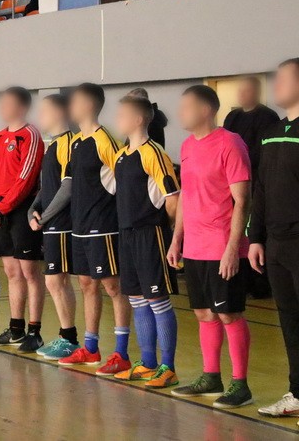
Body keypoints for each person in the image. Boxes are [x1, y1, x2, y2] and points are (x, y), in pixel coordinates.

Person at [167, 85, 253, 409]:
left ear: (205, 110)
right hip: (195, 246)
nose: (180, 113)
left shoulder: (230, 143)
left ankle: (241, 384)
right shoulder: (187, 146)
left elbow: (242, 200)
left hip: (221, 244)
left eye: (186, 107)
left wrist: (233, 248)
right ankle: (211, 376)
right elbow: (186, 197)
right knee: (204, 313)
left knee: (228, 313)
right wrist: (177, 239)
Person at [58, 83, 132, 376]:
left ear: (88, 105)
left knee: (114, 287)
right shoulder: (76, 142)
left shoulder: (106, 141)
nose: (70, 108)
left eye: (74, 102)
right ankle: (90, 348)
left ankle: (121, 353)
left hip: (103, 227)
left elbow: (124, 181)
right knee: (87, 285)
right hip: (79, 226)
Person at [112, 95, 181, 389]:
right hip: (126, 234)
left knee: (157, 300)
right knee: (137, 299)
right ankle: (148, 362)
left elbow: (173, 198)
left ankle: (168, 367)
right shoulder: (121, 155)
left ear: (138, 119)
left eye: (122, 115)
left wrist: (169, 232)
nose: (117, 120)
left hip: (150, 234)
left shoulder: (154, 153)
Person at [250, 59, 299, 421]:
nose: (276, 84)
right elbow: (261, 189)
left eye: (283, 78)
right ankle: (297, 392)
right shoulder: (271, 132)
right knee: (290, 320)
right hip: (277, 244)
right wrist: (255, 237)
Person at [0, 87, 46, 352]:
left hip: (21, 210)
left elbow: (26, 178)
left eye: (7, 103)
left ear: (22, 107)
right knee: (11, 271)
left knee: (30, 271)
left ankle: (34, 331)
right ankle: (16, 328)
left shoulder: (30, 135)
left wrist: (3, 207)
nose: (2, 107)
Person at [28, 94, 80, 360]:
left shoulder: (70, 143)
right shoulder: (53, 145)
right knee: (54, 280)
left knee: (56, 280)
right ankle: (66, 335)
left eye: (45, 111)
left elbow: (67, 188)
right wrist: (33, 209)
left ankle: (69, 338)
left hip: (62, 224)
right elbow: (47, 186)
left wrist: (45, 217)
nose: (40, 117)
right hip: (50, 223)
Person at [224, 76, 279, 299]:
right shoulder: (233, 116)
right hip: (233, 185)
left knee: (254, 233)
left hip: (255, 184)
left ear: (256, 92)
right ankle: (241, 279)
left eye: (247, 90)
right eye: (240, 90)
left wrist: (238, 159)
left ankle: (260, 282)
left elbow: (262, 152)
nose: (242, 94)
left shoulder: (267, 117)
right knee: (236, 231)